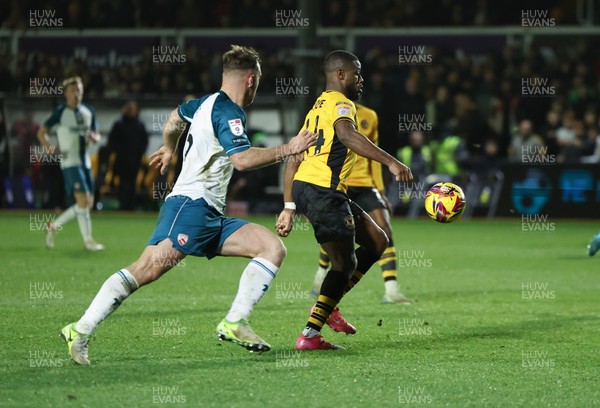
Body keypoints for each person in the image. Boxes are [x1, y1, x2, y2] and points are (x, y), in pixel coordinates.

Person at [60, 45, 316, 365]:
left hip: (209, 213)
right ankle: (80, 329)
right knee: (148, 268)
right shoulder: (229, 112)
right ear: (251, 80)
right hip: (190, 205)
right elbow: (242, 160)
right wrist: (288, 148)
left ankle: (235, 321)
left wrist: (169, 149)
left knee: (272, 248)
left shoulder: (203, 103)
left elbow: (173, 118)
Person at [276, 50, 413, 350]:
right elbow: (349, 136)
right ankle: (310, 334)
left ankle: (329, 306)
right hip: (321, 189)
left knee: (378, 241)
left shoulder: (317, 107)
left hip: (314, 188)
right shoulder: (341, 104)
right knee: (344, 262)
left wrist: (288, 205)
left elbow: (292, 158)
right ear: (340, 75)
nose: (361, 79)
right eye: (357, 73)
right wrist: (391, 162)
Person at [313, 103, 412, 304]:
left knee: (384, 229)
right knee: (336, 234)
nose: (358, 81)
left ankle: (391, 289)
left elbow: (375, 157)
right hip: (340, 182)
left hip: (365, 184)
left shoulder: (370, 116)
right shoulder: (327, 110)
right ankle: (321, 275)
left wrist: (381, 191)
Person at [37, 76, 104, 251]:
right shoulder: (60, 112)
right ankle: (88, 241)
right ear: (66, 93)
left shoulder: (88, 111)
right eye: (73, 90)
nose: (77, 93)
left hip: (85, 162)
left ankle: (54, 226)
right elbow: (41, 132)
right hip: (70, 161)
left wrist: (93, 137)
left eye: (79, 90)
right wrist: (49, 148)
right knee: (82, 201)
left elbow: (97, 135)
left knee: (87, 203)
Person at [107, 100, 149, 210]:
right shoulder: (119, 124)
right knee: (121, 185)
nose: (131, 111)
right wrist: (118, 152)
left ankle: (131, 206)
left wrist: (140, 154)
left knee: (133, 184)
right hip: (121, 161)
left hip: (135, 161)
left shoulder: (140, 125)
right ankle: (122, 205)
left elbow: (144, 142)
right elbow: (112, 141)